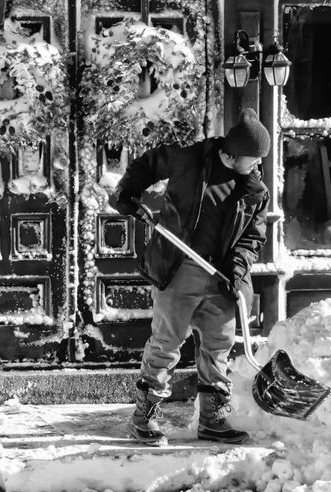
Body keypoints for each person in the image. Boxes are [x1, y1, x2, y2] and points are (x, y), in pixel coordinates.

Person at [109, 108, 271, 446]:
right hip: (180, 266)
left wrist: (237, 268)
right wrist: (128, 192)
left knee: (218, 346)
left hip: (223, 277)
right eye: (252, 158)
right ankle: (144, 416)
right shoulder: (190, 159)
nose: (257, 165)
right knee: (167, 343)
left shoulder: (255, 190)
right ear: (231, 154)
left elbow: (253, 238)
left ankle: (212, 418)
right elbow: (148, 164)